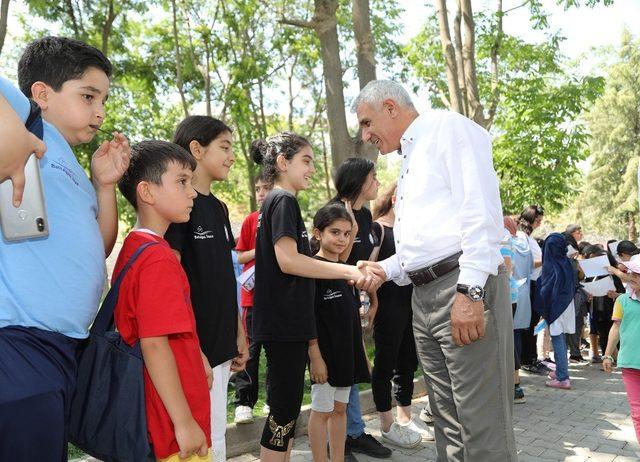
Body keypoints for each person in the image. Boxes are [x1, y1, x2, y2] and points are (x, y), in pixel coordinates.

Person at [355, 80, 517, 462]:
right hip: (425, 296)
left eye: (366, 122)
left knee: (481, 423)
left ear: (390, 107)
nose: (365, 135)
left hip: (460, 287)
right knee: (447, 421)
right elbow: (427, 243)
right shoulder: (412, 155)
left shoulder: (448, 129)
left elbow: (479, 214)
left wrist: (470, 292)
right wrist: (385, 268)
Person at [0, 37, 130, 460]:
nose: (100, 111)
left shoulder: (72, 166)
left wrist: (104, 186)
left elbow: (99, 245)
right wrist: (10, 133)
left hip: (64, 348)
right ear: (42, 94)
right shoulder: (29, 123)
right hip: (19, 340)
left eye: (103, 100)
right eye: (88, 96)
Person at [250, 132, 378, 462]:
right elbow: (289, 260)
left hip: (286, 326)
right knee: (282, 414)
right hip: (282, 326)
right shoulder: (283, 201)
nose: (311, 169)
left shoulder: (278, 203)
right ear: (282, 162)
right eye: (305, 161)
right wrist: (349, 272)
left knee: (286, 414)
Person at [114, 140, 211, 461]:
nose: (192, 192)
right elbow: (154, 343)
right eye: (182, 181)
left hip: (158, 421)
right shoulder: (158, 259)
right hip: (173, 433)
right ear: (147, 192)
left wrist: (198, 355)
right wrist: (184, 423)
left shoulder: (136, 248)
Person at [165, 116, 249, 462]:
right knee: (195, 435)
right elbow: (172, 282)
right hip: (191, 346)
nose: (231, 156)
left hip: (220, 342)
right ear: (197, 149)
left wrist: (239, 332)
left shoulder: (218, 207)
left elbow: (225, 276)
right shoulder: (178, 209)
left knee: (216, 428)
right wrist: (192, 345)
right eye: (224, 147)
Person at [331, 157, 397, 459]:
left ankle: (354, 432)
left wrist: (374, 302)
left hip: (357, 302)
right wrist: (351, 229)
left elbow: (367, 269)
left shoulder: (368, 217)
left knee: (355, 369)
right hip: (332, 304)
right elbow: (332, 263)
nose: (378, 183)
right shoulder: (335, 212)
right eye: (374, 177)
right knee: (339, 372)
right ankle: (338, 439)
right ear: (359, 181)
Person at [370, 183, 433, 448]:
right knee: (385, 363)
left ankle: (404, 417)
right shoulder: (378, 229)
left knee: (408, 361)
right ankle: (386, 423)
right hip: (387, 306)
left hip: (412, 304)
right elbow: (368, 269)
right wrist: (372, 304)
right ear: (396, 199)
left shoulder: (412, 232)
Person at [307, 203, 371, 462]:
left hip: (347, 355)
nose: (342, 239)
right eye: (335, 232)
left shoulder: (347, 272)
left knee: (341, 409)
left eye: (347, 234)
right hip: (325, 356)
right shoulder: (311, 269)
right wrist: (315, 357)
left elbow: (352, 321)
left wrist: (363, 356)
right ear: (318, 233)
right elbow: (308, 317)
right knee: (321, 411)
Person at [234, 172, 274, 424]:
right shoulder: (250, 220)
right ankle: (244, 402)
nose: (261, 193)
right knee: (250, 349)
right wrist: (261, 249)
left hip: (278, 299)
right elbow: (239, 257)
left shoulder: (284, 216)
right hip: (252, 297)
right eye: (258, 188)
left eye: (266, 188)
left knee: (275, 350)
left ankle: (273, 399)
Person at [603, 258, 640, 444]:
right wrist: (608, 354)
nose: (632, 277)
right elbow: (615, 328)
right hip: (630, 364)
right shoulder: (622, 300)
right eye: (631, 273)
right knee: (638, 413)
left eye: (637, 274)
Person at [534, 233, 577, 390]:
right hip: (567, 304)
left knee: (557, 339)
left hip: (556, 307)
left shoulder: (551, 264)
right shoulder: (566, 262)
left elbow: (546, 289)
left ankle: (562, 378)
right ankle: (561, 370)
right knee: (561, 338)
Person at [518, 206, 547, 374]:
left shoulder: (530, 238)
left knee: (533, 324)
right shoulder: (522, 237)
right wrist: (546, 260)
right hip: (529, 285)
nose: (539, 224)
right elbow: (527, 263)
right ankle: (527, 359)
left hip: (535, 283)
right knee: (529, 324)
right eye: (537, 220)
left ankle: (531, 357)